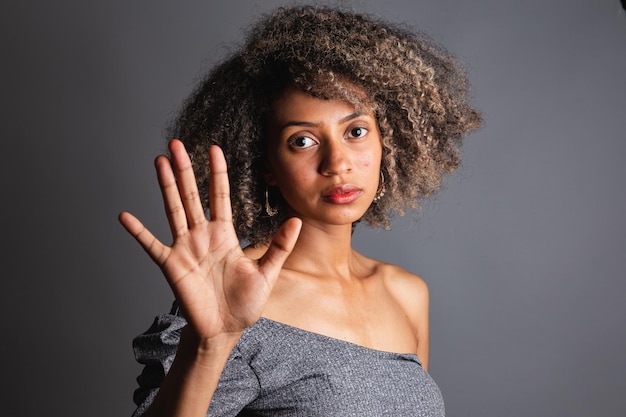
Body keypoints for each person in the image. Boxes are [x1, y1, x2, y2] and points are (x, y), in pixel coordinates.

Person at [119, 5, 481, 417]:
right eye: (302, 141)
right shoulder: (234, 292)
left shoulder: (406, 293)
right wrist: (211, 342)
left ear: (388, 142)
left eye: (356, 132)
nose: (337, 162)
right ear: (266, 166)